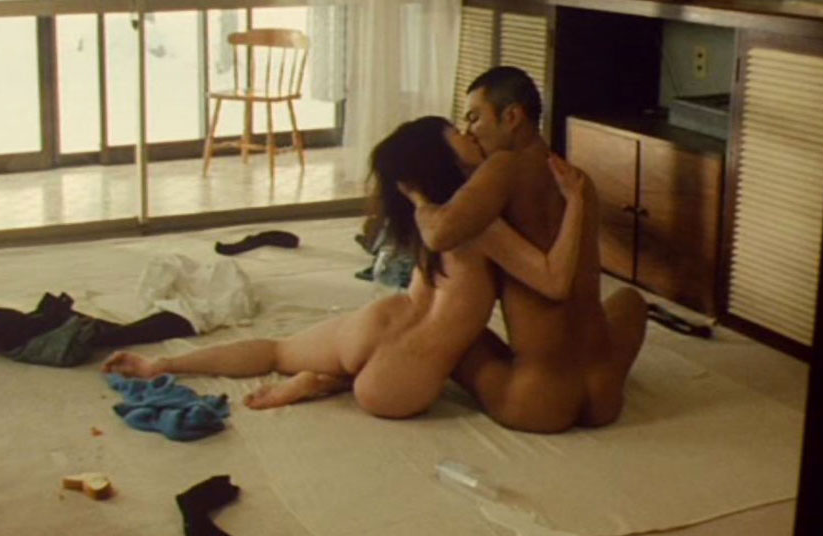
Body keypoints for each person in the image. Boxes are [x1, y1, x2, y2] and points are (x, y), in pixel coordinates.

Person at [102, 116, 585, 418]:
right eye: (458, 131)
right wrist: (578, 202)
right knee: (467, 353)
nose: (469, 131)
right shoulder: (474, 224)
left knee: (276, 350)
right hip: (400, 380)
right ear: (439, 157)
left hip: (381, 322)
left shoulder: (426, 213)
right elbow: (552, 279)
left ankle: (165, 364)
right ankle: (334, 381)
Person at [402, 67, 647, 433]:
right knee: (631, 301)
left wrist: (418, 199)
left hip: (538, 401)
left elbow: (439, 234)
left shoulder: (503, 166)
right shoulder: (578, 180)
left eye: (475, 117)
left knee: (437, 327)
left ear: (512, 116)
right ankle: (590, 375)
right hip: (604, 397)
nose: (469, 131)